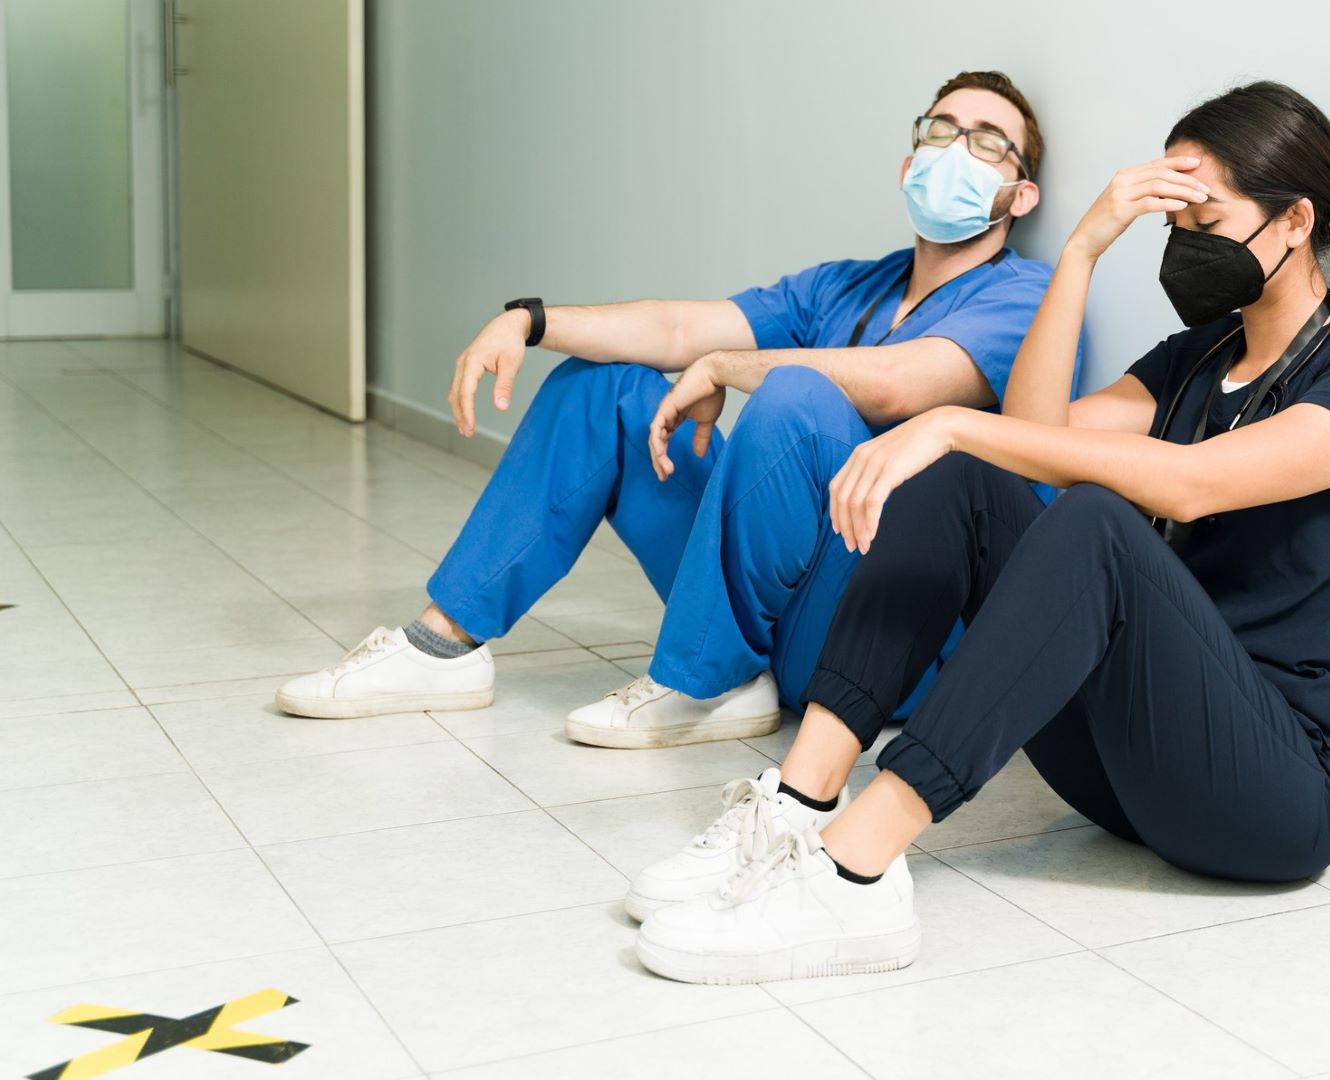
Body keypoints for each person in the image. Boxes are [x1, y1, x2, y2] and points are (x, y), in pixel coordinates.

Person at [624, 81, 1330, 985]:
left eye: (1203, 215)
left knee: (1083, 513)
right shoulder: (1198, 357)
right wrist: (1084, 248)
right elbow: (1037, 434)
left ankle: (856, 870)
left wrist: (947, 419)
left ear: (1293, 224)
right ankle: (796, 804)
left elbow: (1196, 487)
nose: (1185, 243)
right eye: (1171, 221)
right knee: (970, 480)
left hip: (1277, 795)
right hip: (1133, 774)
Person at [275, 71, 1078, 750]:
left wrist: (731, 367)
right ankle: (443, 645)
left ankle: (705, 676)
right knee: (608, 386)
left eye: (986, 140)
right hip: (788, 602)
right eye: (942, 130)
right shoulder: (847, 284)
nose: (955, 150)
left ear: (1021, 190)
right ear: (910, 160)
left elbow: (905, 383)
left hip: (887, 631)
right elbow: (677, 328)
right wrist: (531, 318)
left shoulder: (1025, 297)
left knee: (796, 391)